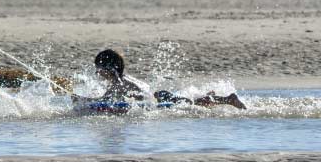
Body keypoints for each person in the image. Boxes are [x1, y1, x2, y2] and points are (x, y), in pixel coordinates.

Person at [73, 49, 246, 111]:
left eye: (99, 69)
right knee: (192, 101)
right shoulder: (123, 78)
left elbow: (104, 101)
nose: (97, 73)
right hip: (159, 96)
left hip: (159, 100)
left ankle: (229, 99)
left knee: (191, 104)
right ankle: (218, 98)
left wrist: (81, 100)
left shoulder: (119, 83)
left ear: (108, 69)